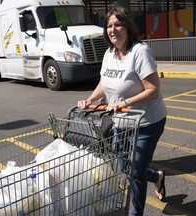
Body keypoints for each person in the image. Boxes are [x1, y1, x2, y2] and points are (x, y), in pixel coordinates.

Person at [77, 6, 167, 216]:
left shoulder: (140, 52)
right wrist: (90, 99)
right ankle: (156, 176)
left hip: (146, 123)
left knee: (135, 173)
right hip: (121, 123)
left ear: (128, 27)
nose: (113, 29)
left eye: (118, 24)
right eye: (109, 25)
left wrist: (123, 102)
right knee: (123, 166)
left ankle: (136, 213)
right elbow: (104, 83)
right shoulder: (109, 53)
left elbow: (153, 90)